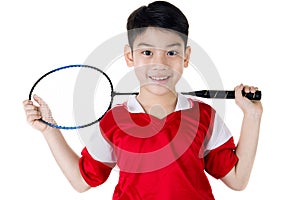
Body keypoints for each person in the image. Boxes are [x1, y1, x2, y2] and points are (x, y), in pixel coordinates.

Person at [23, 1, 263, 199]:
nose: (160, 63)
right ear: (130, 56)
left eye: (172, 52)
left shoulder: (205, 116)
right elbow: (81, 180)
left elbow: (237, 179)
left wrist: (252, 116)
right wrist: (49, 129)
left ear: (186, 57)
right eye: (147, 52)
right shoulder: (113, 121)